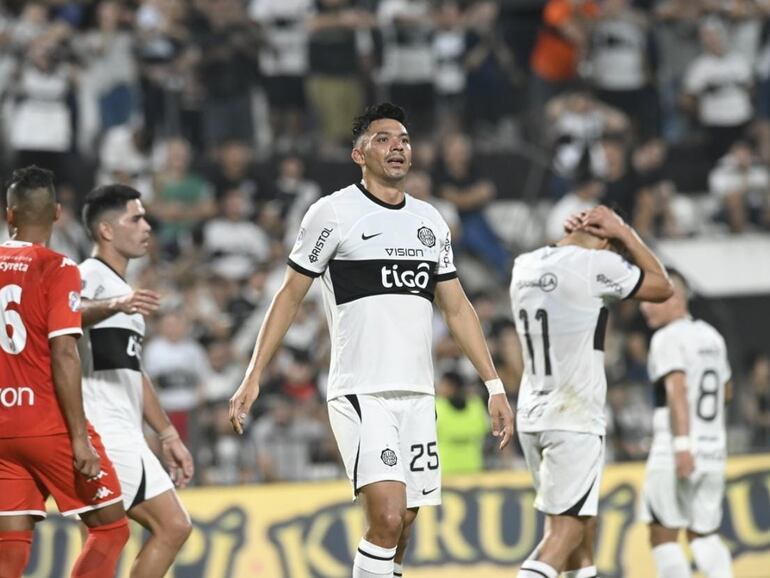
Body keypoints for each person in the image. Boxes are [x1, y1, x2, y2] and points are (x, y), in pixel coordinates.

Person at [229, 102, 514, 578]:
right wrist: (253, 374)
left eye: (403, 139)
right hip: (362, 391)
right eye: (382, 139)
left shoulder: (431, 222)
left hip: (418, 395)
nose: (397, 146)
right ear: (358, 155)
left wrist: (495, 385)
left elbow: (458, 307)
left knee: (402, 525)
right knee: (384, 516)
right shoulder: (333, 213)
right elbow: (289, 296)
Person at [510, 205, 673, 578]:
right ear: (605, 241)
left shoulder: (525, 264)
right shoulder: (595, 266)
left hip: (534, 413)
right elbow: (663, 285)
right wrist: (626, 231)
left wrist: (587, 236)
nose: (621, 258)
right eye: (617, 249)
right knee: (564, 533)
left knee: (582, 527)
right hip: (574, 416)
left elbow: (567, 270)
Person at [0, 166, 129, 578]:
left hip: (2, 430)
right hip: (47, 424)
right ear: (57, 214)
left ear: (10, 215)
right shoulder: (57, 268)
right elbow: (64, 354)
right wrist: (78, 438)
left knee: (10, 552)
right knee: (111, 530)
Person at [78, 184, 194, 578]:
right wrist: (115, 304)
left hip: (121, 428)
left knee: (121, 532)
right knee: (154, 527)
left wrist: (167, 434)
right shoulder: (87, 275)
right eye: (136, 218)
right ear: (107, 230)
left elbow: (133, 370)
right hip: (100, 427)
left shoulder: (123, 291)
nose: (147, 226)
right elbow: (57, 318)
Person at [639, 269, 734, 578]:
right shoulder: (711, 336)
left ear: (675, 297)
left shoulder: (667, 337)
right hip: (713, 451)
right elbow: (727, 390)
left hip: (676, 450)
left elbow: (676, 389)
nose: (644, 307)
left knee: (663, 536)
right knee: (702, 535)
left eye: (652, 299)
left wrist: (682, 446)